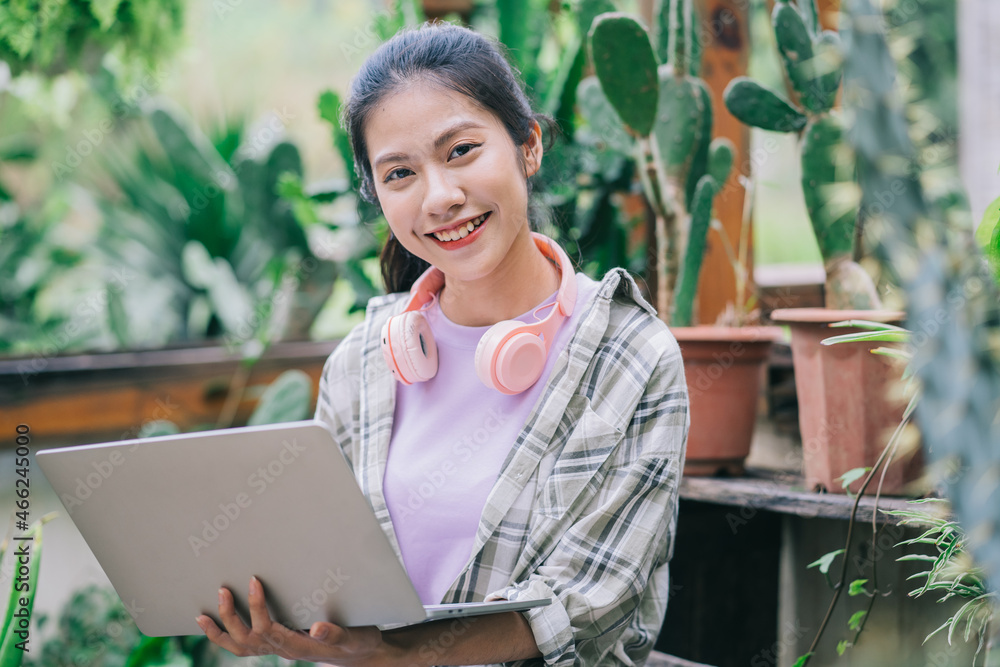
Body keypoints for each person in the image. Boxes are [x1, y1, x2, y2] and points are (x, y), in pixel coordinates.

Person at [196, 21, 689, 667]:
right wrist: (277, 618)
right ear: (378, 196)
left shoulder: (632, 354)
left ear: (529, 146)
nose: (441, 197)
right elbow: (329, 572)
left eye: (460, 151)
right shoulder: (363, 362)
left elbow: (592, 597)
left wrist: (401, 657)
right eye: (400, 173)